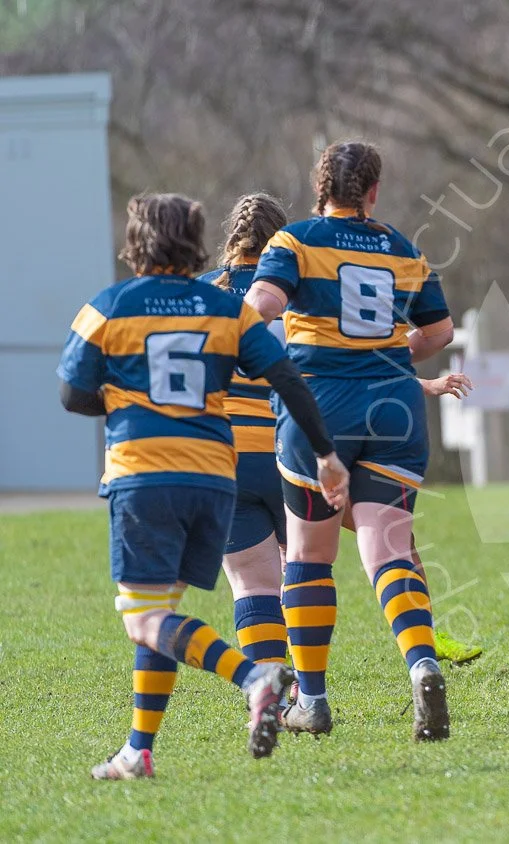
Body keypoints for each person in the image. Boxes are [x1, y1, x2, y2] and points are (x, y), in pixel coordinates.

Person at [58, 193, 349, 779]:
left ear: (137, 241)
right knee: (161, 610)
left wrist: (120, 400)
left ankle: (256, 675)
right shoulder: (225, 309)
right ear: (192, 241)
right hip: (215, 474)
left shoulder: (110, 306)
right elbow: (288, 376)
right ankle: (139, 750)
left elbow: (72, 394)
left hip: (146, 474)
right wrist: (326, 452)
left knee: (145, 616)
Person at [205, 193, 482, 671]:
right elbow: (338, 368)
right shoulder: (301, 286)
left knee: (257, 581)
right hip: (303, 446)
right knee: (392, 540)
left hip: (231, 458)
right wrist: (422, 383)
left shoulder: (206, 293)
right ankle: (426, 645)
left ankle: (282, 688)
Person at [244, 141, 456, 739]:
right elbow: (438, 330)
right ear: (373, 191)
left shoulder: (295, 241)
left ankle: (311, 700)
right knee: (388, 551)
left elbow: (263, 304)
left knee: (309, 557)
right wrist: (386, 357)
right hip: (397, 411)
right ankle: (421, 664)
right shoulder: (404, 249)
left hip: (322, 408)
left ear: (321, 186)